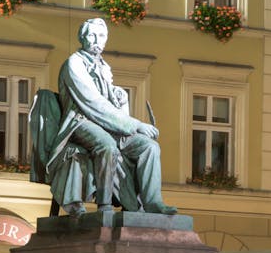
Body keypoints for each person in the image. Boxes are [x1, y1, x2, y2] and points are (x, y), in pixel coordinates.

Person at [30, 18, 176, 215]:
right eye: (92, 35)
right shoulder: (74, 64)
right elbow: (92, 103)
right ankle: (104, 204)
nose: (97, 40)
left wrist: (120, 98)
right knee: (106, 145)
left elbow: (109, 105)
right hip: (80, 122)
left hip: (107, 124)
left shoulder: (104, 67)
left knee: (149, 147)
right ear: (82, 37)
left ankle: (152, 202)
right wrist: (136, 125)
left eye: (101, 36)